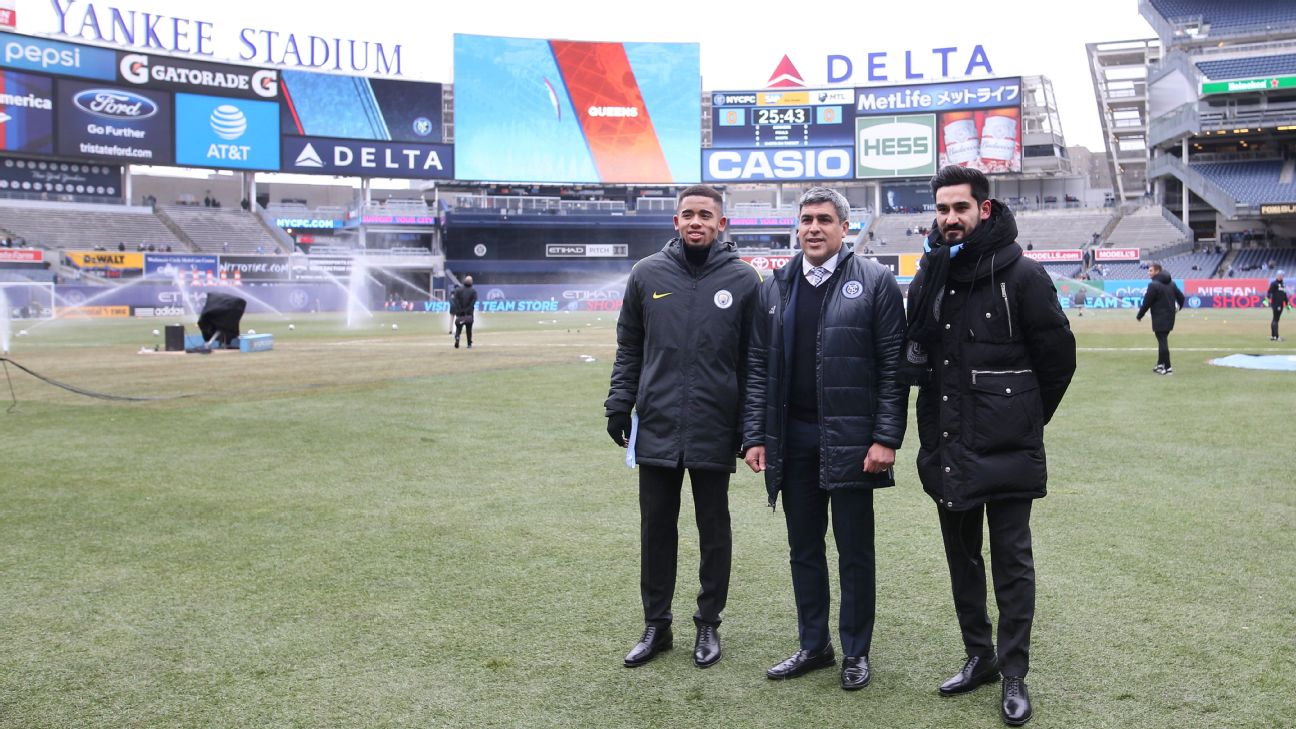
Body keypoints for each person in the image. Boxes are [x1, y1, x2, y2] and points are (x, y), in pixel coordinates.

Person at [902, 166, 1076, 726]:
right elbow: (919, 352)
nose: (951, 218)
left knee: (1011, 561)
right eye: (943, 209)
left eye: (961, 208)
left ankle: (1014, 673)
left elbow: (1057, 358)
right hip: (948, 443)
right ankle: (978, 655)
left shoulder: (1022, 274)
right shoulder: (932, 272)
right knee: (962, 557)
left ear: (985, 208)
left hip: (1006, 446)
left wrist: (1023, 419)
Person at [741, 187, 907, 690]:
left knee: (855, 550)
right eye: (806, 219)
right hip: (792, 440)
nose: (813, 228)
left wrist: (885, 438)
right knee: (803, 548)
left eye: (824, 220)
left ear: (844, 227)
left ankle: (856, 651)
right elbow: (757, 368)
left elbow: (893, 369)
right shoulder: (777, 285)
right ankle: (814, 645)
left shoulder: (875, 282)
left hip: (853, 442)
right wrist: (755, 434)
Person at [605, 184, 761, 670]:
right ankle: (657, 625)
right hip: (657, 421)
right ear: (676, 222)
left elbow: (753, 362)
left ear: (721, 224)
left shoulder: (745, 280)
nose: (696, 222)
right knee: (657, 528)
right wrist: (619, 403)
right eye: (687, 214)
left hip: (716, 423)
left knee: (714, 528)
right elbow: (630, 345)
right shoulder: (646, 273)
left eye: (705, 215)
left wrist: (749, 425)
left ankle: (708, 623)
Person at [1136, 262, 1184, 375]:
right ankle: (1160, 365)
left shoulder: (1153, 285)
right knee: (1162, 340)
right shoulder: (1172, 283)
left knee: (1162, 341)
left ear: (1157, 271)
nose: (1149, 273)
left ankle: (1168, 368)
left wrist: (1140, 315)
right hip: (1170, 317)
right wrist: (1178, 308)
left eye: (1151, 271)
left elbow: (1147, 302)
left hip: (1159, 318)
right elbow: (1181, 297)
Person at [450, 275, 478, 348]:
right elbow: (473, 303)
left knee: (458, 328)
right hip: (469, 315)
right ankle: (469, 344)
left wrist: (459, 310)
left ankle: (457, 339)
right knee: (469, 329)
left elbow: (455, 301)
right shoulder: (473, 291)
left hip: (460, 315)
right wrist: (467, 310)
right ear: (471, 282)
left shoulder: (458, 290)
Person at [1269, 270, 1288, 342]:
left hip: (1281, 304)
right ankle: (1276, 337)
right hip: (1276, 304)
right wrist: (1266, 302)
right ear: (1277, 275)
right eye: (1280, 275)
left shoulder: (1283, 284)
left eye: (1282, 275)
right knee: (1276, 320)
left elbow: (1284, 295)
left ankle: (1273, 336)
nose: (1282, 277)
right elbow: (1269, 293)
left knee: (1275, 319)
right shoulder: (1274, 284)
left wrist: (1287, 305)